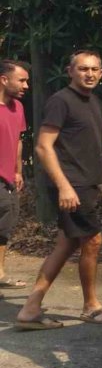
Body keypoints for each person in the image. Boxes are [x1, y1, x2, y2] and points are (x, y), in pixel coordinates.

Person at [15, 51, 102, 330]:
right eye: (83, 68)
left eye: (95, 69)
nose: (90, 74)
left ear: (101, 73)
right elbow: (43, 147)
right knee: (92, 241)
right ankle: (91, 306)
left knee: (68, 243)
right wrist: (64, 187)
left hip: (85, 184)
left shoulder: (92, 100)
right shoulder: (61, 101)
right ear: (70, 71)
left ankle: (30, 309)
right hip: (73, 184)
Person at [0, 59, 30, 295]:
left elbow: (18, 139)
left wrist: (18, 170)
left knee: (5, 226)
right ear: (4, 80)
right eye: (21, 80)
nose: (26, 86)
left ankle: (0, 274)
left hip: (9, 177)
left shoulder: (17, 107)